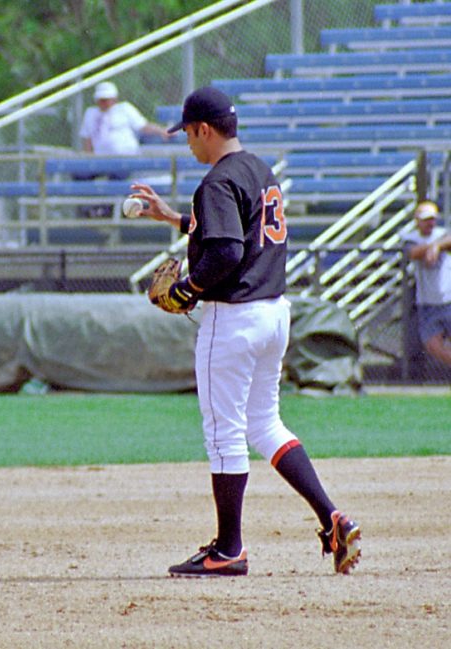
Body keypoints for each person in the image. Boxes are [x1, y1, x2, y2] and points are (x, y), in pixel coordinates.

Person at [126, 86, 361, 577]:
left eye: (188, 134)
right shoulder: (257, 169)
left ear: (204, 129)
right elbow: (234, 229)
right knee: (265, 424)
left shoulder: (215, 181)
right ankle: (332, 517)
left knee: (224, 433)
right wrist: (173, 218)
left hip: (233, 319)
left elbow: (227, 252)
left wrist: (188, 286)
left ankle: (229, 549)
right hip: (274, 313)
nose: (187, 144)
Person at [76, 81, 169, 218]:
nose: (103, 103)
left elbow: (143, 126)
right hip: (100, 159)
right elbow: (87, 138)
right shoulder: (91, 113)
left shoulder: (124, 109)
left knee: (117, 176)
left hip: (125, 158)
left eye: (106, 99)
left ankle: (107, 210)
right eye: (101, 100)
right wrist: (89, 159)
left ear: (114, 99)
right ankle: (87, 209)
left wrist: (161, 131)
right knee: (80, 174)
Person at [401, 200, 451, 367]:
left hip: (448, 300)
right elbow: (412, 252)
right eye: (426, 219)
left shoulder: (441, 234)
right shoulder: (410, 238)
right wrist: (433, 247)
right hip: (427, 304)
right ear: (417, 221)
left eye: (432, 219)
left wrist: (437, 246)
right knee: (432, 346)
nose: (430, 223)